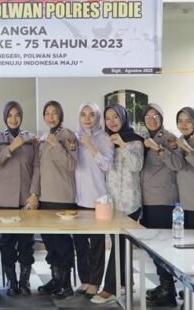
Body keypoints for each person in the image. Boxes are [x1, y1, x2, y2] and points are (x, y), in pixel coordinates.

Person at [92, 104, 143, 305]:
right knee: (119, 243)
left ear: (123, 117)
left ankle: (110, 289)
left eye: (116, 117)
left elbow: (136, 166)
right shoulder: (106, 141)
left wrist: (122, 144)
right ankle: (125, 282)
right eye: (108, 118)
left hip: (130, 203)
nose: (112, 121)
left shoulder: (135, 141)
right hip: (112, 203)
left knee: (120, 244)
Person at [0, 101, 40, 297]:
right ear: (5, 117)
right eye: (9, 115)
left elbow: (37, 168)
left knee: (26, 243)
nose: (13, 119)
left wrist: (34, 194)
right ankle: (11, 281)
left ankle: (25, 281)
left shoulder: (31, 139)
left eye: (17, 115)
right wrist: (11, 147)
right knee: (7, 244)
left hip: (25, 199)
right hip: (4, 200)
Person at [140, 103, 182, 307]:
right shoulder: (143, 138)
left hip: (163, 201)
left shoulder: (169, 139)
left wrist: (158, 149)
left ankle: (168, 289)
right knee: (155, 247)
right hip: (147, 200)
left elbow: (177, 164)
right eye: (148, 117)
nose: (152, 120)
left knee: (163, 247)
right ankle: (165, 285)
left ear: (162, 117)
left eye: (156, 116)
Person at [37, 100, 78, 299]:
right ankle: (56, 280)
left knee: (62, 243)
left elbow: (72, 164)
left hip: (62, 197)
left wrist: (56, 146)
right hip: (45, 198)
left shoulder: (67, 135)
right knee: (50, 242)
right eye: (47, 113)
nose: (51, 116)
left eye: (54, 113)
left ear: (60, 115)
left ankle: (66, 284)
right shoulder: (44, 137)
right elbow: (39, 168)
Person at [72, 103, 112, 298]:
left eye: (92, 115)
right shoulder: (75, 138)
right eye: (83, 114)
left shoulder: (104, 138)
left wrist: (91, 146)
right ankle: (85, 280)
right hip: (77, 199)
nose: (87, 119)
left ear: (97, 117)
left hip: (98, 199)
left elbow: (107, 165)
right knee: (80, 244)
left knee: (96, 245)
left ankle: (95, 282)